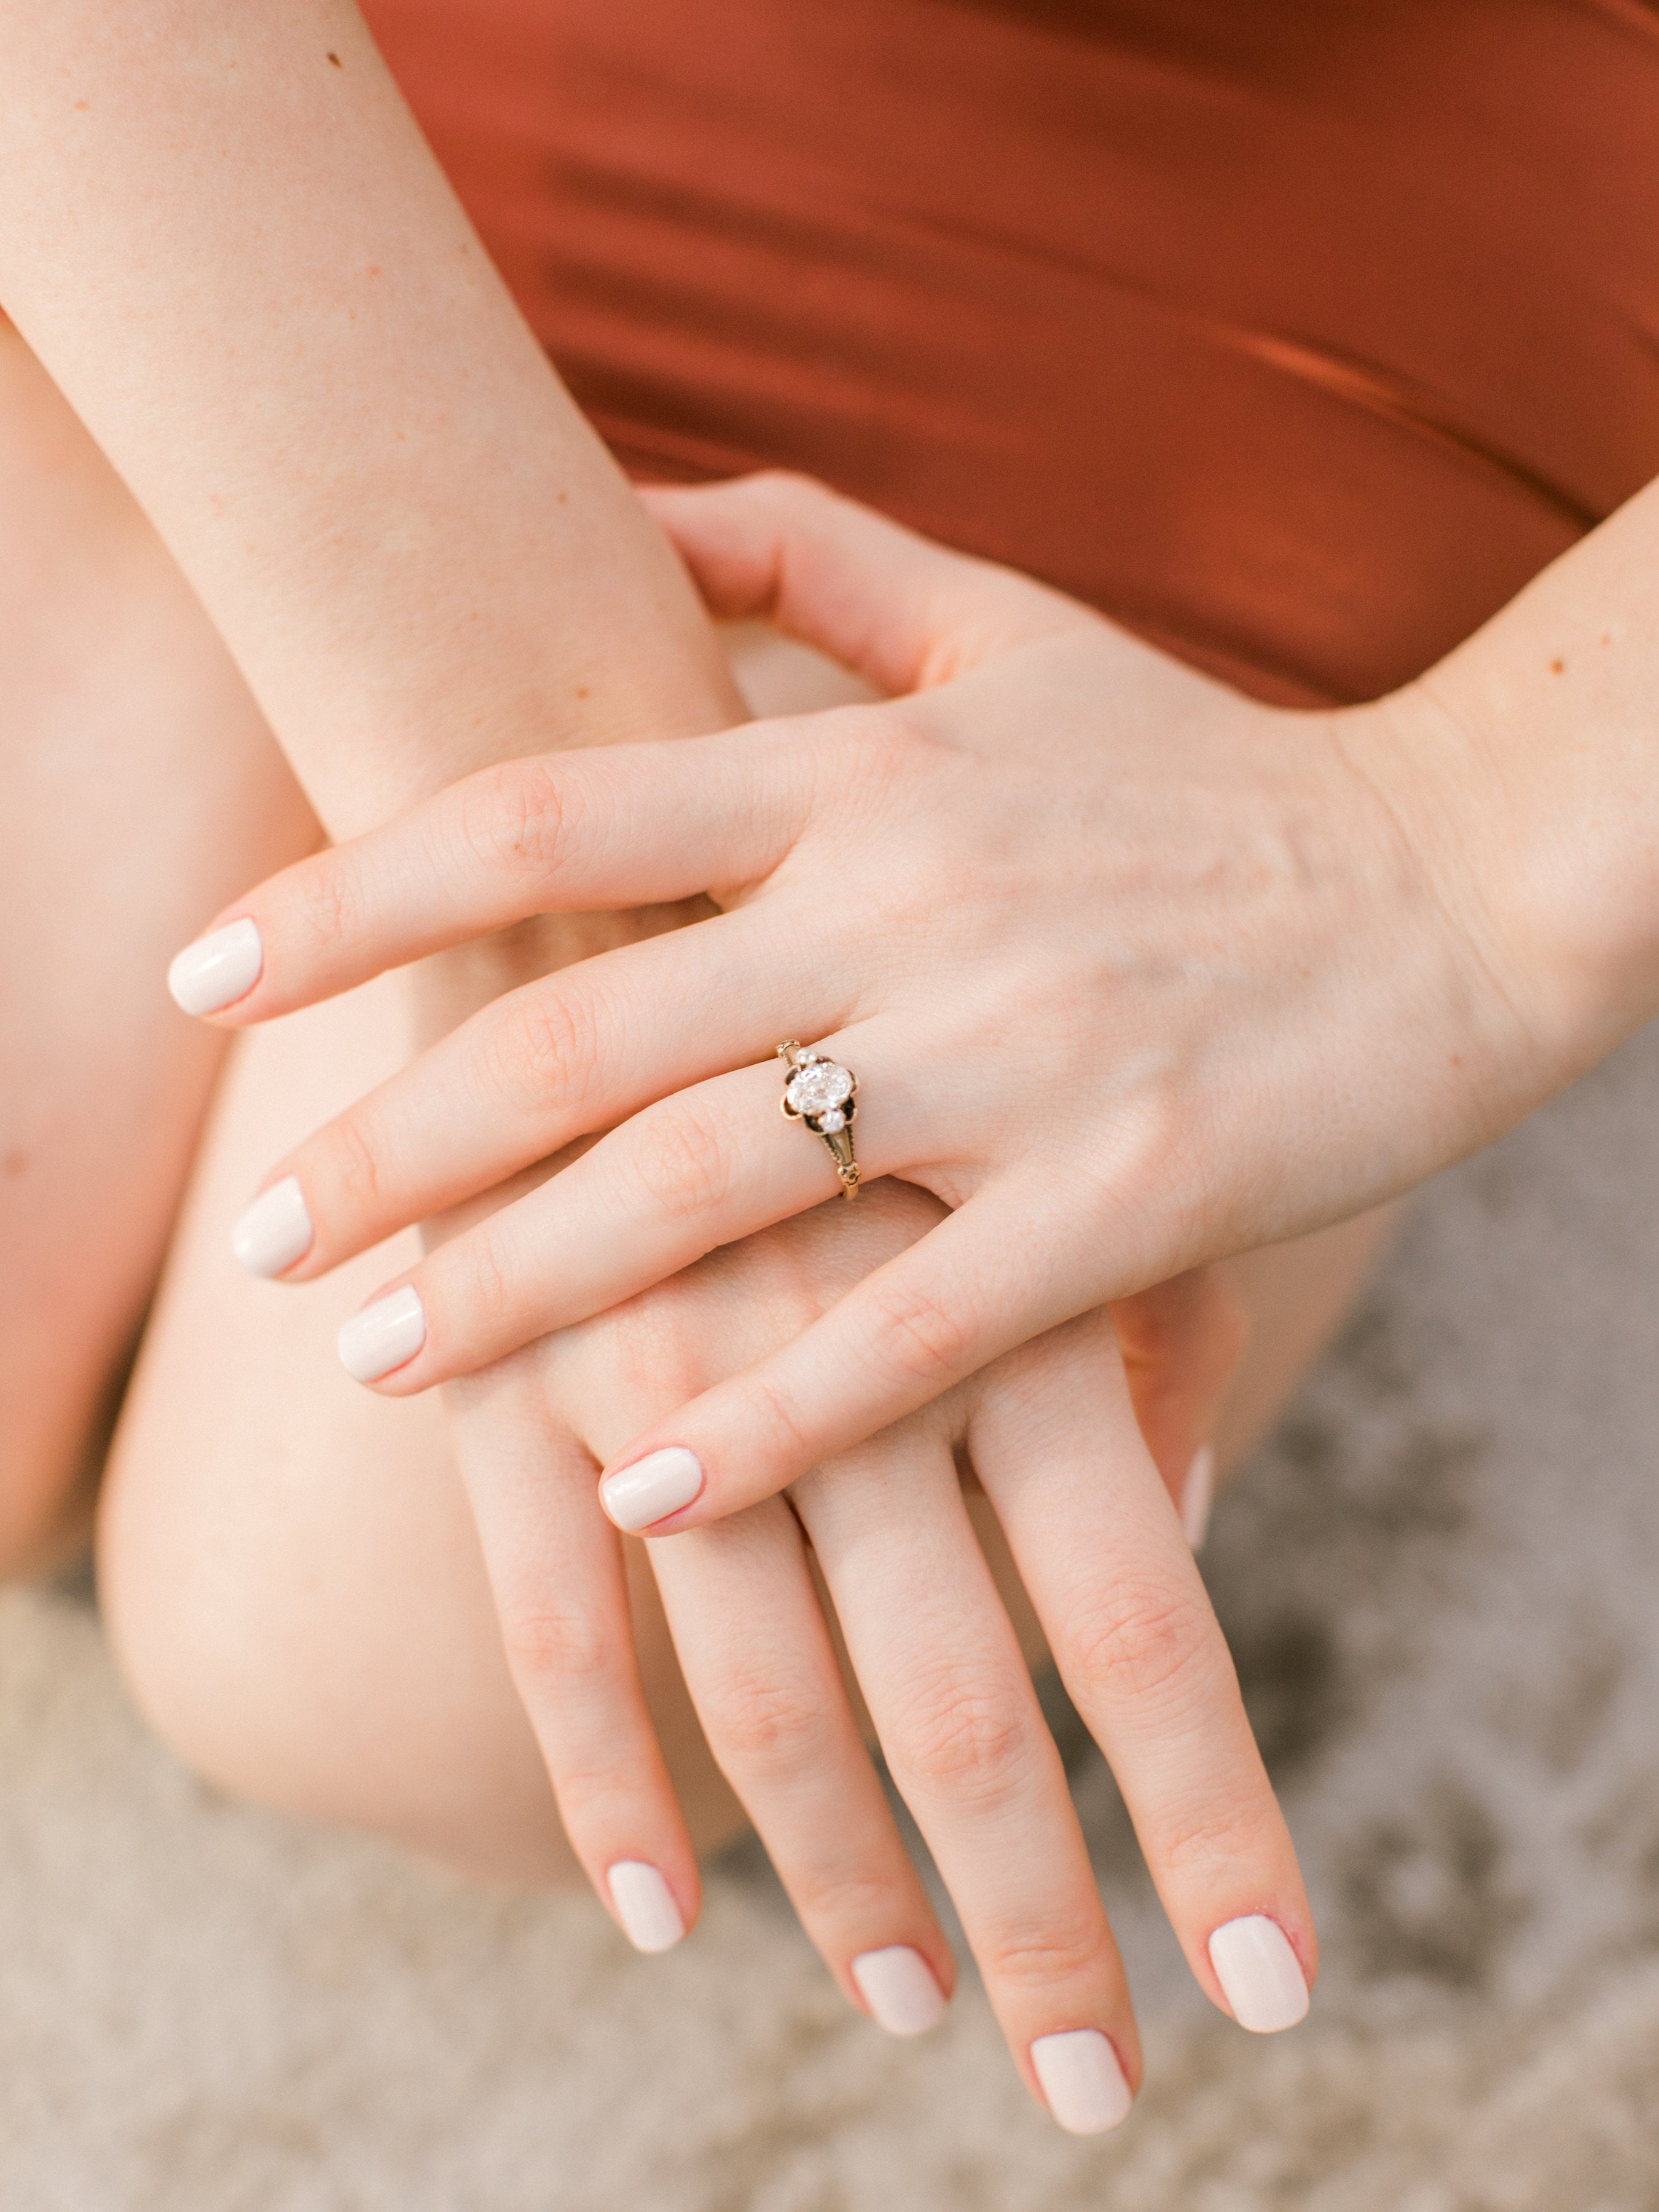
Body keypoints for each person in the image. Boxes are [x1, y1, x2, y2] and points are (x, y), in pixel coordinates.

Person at [2, 0, 1653, 2139]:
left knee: (390, 1644)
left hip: (1284, 343)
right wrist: (511, 763)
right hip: (265, 130)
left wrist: (1446, 838)